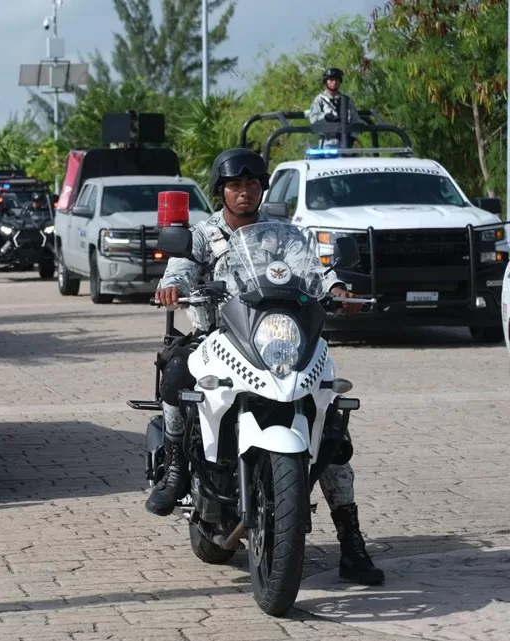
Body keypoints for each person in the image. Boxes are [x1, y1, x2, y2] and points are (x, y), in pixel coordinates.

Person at [147, 147, 384, 586]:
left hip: (278, 338)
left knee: (331, 425)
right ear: (222, 191)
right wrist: (173, 287)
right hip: (218, 336)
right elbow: (177, 270)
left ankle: (351, 542)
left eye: (252, 184)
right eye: (236, 185)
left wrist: (337, 286)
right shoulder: (203, 235)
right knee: (177, 373)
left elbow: (311, 268)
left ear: (262, 188)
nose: (244, 192)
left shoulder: (282, 233)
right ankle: (178, 463)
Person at [309, 67, 364, 148]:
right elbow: (313, 118)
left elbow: (356, 120)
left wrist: (352, 138)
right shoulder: (320, 99)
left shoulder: (346, 100)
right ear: (325, 81)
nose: (334, 82)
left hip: (345, 141)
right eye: (331, 80)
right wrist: (325, 117)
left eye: (337, 80)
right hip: (326, 142)